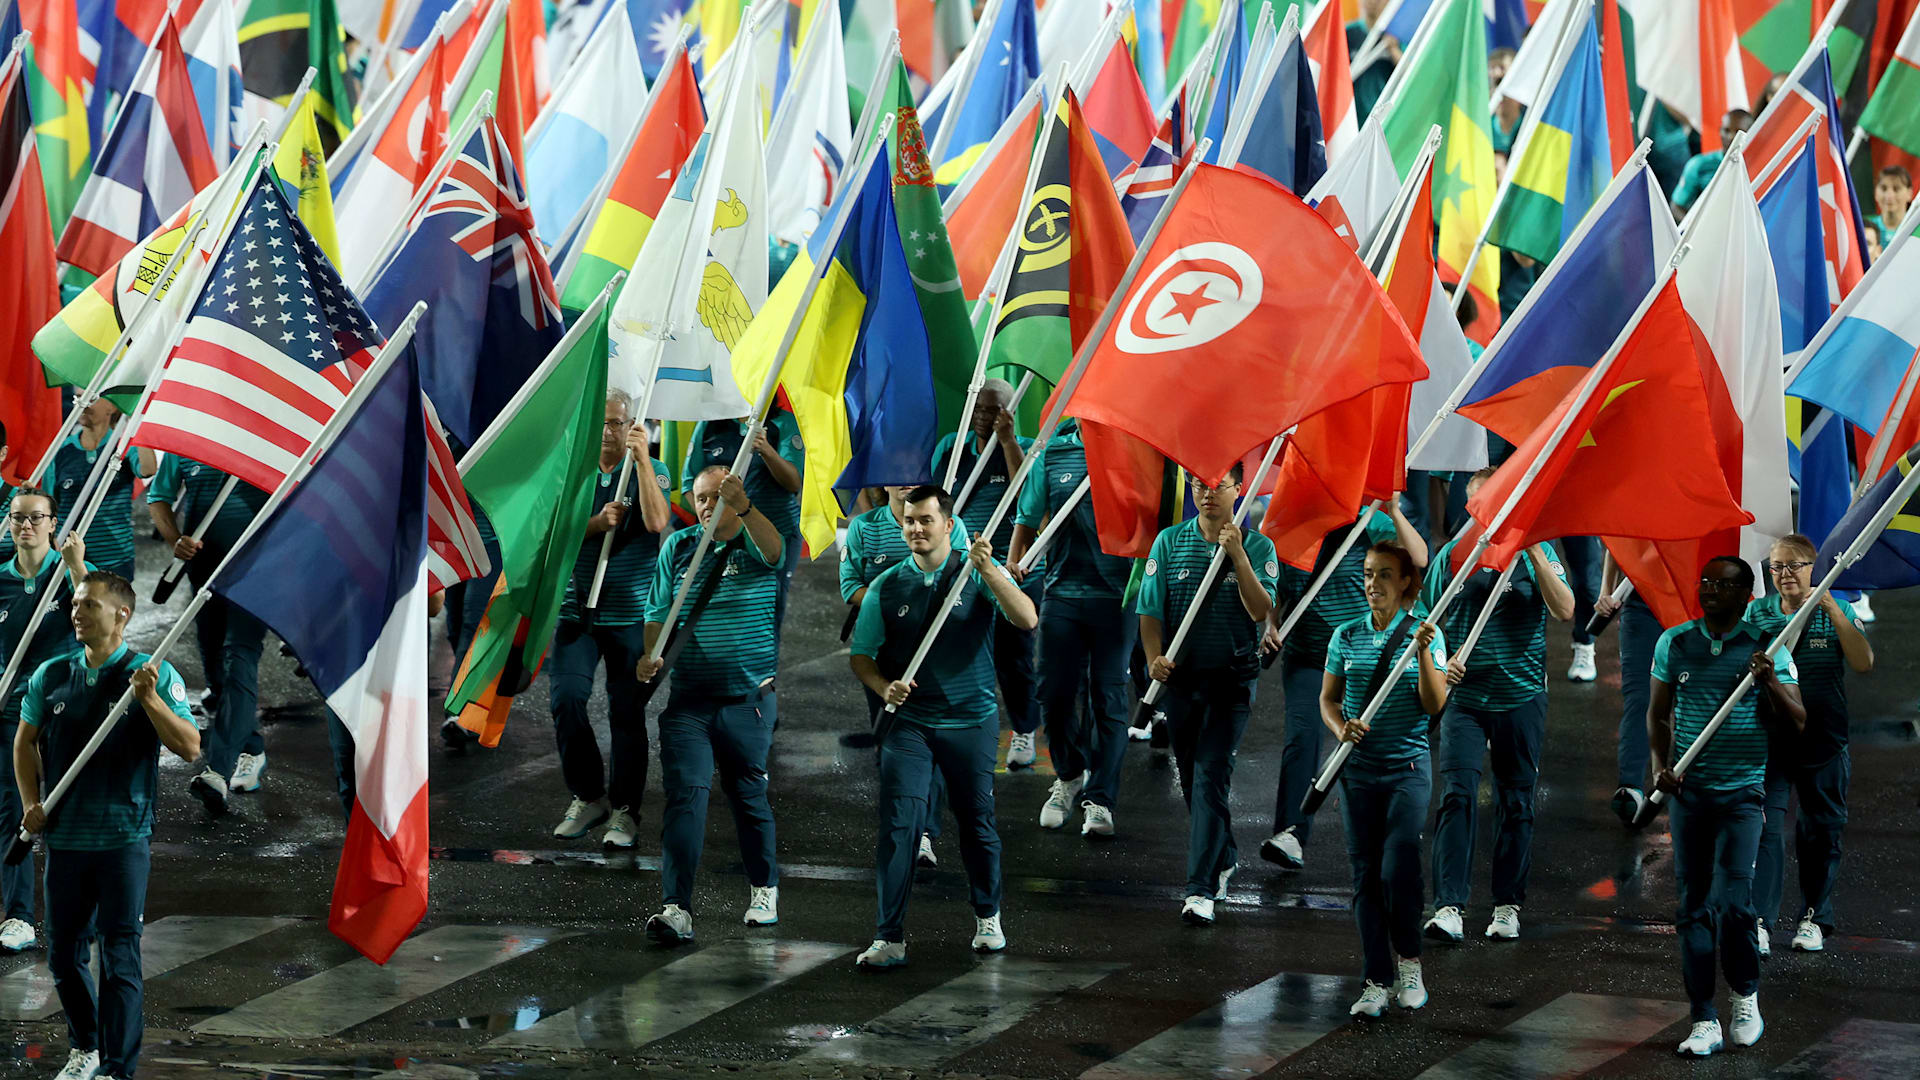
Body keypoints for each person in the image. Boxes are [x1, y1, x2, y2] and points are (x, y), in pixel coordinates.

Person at [13, 568, 200, 1080]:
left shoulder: (153, 673)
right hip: (66, 840)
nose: (77, 612)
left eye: (89, 605)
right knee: (63, 957)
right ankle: (86, 1047)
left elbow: (189, 747)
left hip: (123, 840)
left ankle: (118, 1068)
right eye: (75, 604)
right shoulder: (52, 673)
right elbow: (23, 741)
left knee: (119, 958)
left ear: (122, 615)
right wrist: (31, 800)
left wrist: (150, 700)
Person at [848, 485, 1034, 969]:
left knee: (976, 823)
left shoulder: (976, 575)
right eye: (909, 521)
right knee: (900, 825)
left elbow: (1026, 618)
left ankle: (988, 916)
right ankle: (888, 937)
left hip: (971, 721)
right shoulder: (887, 586)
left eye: (926, 520)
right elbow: (862, 656)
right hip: (910, 725)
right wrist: (883, 686)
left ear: (949, 526)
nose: (916, 528)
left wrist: (989, 570)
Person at [1649, 555, 1804, 1057]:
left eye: (1723, 584)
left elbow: (1798, 720)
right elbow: (1657, 714)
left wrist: (1769, 681)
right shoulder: (1674, 642)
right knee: (1693, 907)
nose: (1710, 589)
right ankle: (1703, 1018)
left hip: (1742, 794)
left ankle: (1744, 996)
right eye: (1706, 581)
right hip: (1690, 796)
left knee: (1735, 905)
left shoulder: (1768, 647)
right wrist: (1660, 766)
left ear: (1745, 595)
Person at [1418, 469, 1575, 944]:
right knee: (1457, 795)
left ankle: (1507, 905)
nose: (1487, 511)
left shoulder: (1537, 551)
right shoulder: (1454, 555)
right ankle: (1449, 906)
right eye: (1477, 503)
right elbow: (1425, 625)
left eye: (1496, 501)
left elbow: (1565, 609)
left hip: (1521, 697)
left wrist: (1532, 550)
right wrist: (1442, 664)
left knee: (1516, 800)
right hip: (1465, 699)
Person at [636, 466, 785, 943]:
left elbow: (776, 552)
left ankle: (764, 888)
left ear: (736, 495)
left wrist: (744, 506)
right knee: (685, 798)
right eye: (699, 498)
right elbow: (657, 614)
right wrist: (651, 654)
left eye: (714, 496)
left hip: (748, 702)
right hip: (689, 704)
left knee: (748, 798)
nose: (705, 505)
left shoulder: (755, 540)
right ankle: (676, 907)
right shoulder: (678, 548)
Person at [1138, 465, 1278, 925]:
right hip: (1182, 682)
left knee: (1210, 775)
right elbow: (1150, 609)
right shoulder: (1169, 542)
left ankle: (1200, 890)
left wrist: (1237, 556)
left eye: (1219, 485)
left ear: (1239, 489)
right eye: (1200, 484)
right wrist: (1154, 658)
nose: (1208, 493)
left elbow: (1260, 610)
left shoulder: (1259, 546)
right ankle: (1225, 852)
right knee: (1193, 779)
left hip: (1232, 682)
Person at [1259, 502, 1426, 871]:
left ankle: (1388, 829)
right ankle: (1291, 832)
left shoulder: (1369, 520)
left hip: (1361, 659)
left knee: (1366, 745)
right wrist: (1271, 624)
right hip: (1306, 656)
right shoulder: (1287, 524)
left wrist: (1395, 512)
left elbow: (1418, 557)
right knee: (1301, 737)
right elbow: (1277, 589)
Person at [1323, 542, 1446, 1018]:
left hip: (1407, 771)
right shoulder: (1346, 635)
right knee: (1365, 877)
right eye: (1369, 574)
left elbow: (1434, 704)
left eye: (1385, 575)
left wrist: (1425, 653)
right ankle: (1375, 980)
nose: (1373, 583)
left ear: (1406, 583)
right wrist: (1341, 728)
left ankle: (1409, 964)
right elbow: (1329, 700)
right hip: (1357, 773)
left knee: (1398, 868)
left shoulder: (1425, 634)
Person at [547, 391, 674, 846]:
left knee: (626, 712)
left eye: (617, 423)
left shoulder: (652, 468)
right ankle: (588, 796)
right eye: (602, 422)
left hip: (631, 615)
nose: (608, 431)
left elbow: (657, 523)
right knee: (566, 699)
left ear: (632, 426)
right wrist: (598, 523)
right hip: (577, 612)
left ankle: (625, 811)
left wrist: (642, 463)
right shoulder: (572, 467)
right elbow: (554, 532)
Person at [1008, 419, 1135, 838]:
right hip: (1062, 591)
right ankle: (1068, 775)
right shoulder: (1054, 454)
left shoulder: (1135, 453)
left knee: (1108, 698)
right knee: (1055, 692)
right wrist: (1014, 562)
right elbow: (1027, 516)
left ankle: (1100, 800)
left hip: (1118, 596)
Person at [1747, 535, 1871, 956]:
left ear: (1813, 568)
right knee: (1766, 830)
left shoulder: (1837, 608)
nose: (1785, 574)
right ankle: (1760, 921)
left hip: (1825, 741)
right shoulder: (1757, 614)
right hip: (1771, 741)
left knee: (1820, 832)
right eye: (1777, 566)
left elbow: (1864, 661)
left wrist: (1833, 608)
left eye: (1795, 565)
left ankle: (1813, 917)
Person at [841, 484, 970, 867]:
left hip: (936, 653)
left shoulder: (951, 524)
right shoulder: (864, 528)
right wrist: (896, 601)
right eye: (896, 472)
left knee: (931, 743)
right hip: (886, 652)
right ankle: (902, 823)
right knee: (892, 742)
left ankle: (924, 832)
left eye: (912, 469)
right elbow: (851, 586)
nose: (905, 480)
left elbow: (960, 577)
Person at [929, 379, 1043, 768]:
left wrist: (1008, 442)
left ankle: (1024, 729)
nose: (983, 417)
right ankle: (957, 724)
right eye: (978, 408)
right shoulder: (952, 449)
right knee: (959, 647)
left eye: (993, 410)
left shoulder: (1027, 449)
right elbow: (939, 501)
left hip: (1012, 569)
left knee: (1014, 655)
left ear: (1010, 412)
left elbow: (1029, 499)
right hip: (962, 567)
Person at [145, 456, 270, 811]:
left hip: (257, 570)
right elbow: (159, 497)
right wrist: (175, 540)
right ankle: (252, 748)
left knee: (238, 658)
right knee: (216, 668)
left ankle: (218, 771)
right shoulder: (191, 439)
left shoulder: (267, 437)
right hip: (204, 574)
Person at [0, 495, 92, 954]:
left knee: (67, 812)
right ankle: (19, 916)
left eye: (36, 517)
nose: (27, 525)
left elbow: (99, 624)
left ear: (53, 523)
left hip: (65, 710)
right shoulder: (0, 579)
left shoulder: (70, 572)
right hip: (10, 713)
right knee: (13, 810)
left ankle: (75, 912)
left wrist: (76, 566)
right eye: (18, 517)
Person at [681, 408, 804, 632]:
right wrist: (715, 525)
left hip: (776, 531)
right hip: (724, 535)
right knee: (721, 604)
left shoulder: (783, 422)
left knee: (767, 609)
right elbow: (689, 483)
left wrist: (766, 450)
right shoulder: (709, 423)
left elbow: (794, 482)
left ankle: (761, 654)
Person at [48, 400, 156, 583]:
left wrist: (138, 424)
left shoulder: (124, 446)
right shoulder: (61, 450)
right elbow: (49, 505)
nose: (83, 404)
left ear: (112, 407)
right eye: (79, 397)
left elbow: (148, 469)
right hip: (69, 559)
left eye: (93, 399)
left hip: (115, 558)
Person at [1594, 554, 1666, 825]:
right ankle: (1630, 787)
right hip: (1642, 605)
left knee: (1697, 700)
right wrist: (1606, 591)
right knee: (1639, 697)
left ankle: (1699, 789)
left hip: (1696, 605)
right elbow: (1621, 543)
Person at [1672, 110, 1753, 212]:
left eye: (1738, 132)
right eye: (1726, 131)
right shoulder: (1699, 164)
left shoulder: (1759, 166)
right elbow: (1677, 206)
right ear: (1720, 131)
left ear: (1751, 132)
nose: (1731, 137)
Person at [1869, 164, 1912, 246]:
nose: (1889, 196)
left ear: (1909, 193)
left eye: (1896, 189)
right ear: (1875, 193)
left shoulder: (1916, 230)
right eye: (1884, 188)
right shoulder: (1863, 229)